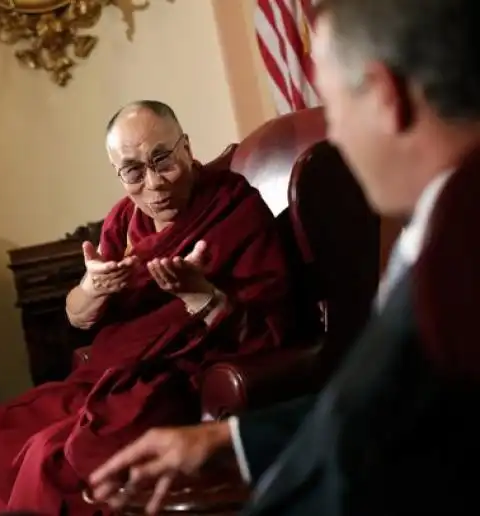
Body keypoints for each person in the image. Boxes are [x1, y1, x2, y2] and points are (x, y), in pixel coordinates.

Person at [89, 1, 480, 515]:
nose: (334, 137)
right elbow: (384, 406)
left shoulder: (463, 246)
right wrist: (229, 439)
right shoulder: (441, 218)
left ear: (385, 98)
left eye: (335, 109)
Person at [0, 100, 293, 515]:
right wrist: (92, 287)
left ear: (187, 148)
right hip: (109, 376)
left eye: (163, 160)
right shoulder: (123, 222)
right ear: (118, 173)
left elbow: (271, 328)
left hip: (178, 379)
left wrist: (199, 295)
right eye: (134, 171)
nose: (153, 184)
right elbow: (77, 314)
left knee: (51, 457)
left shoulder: (235, 209)